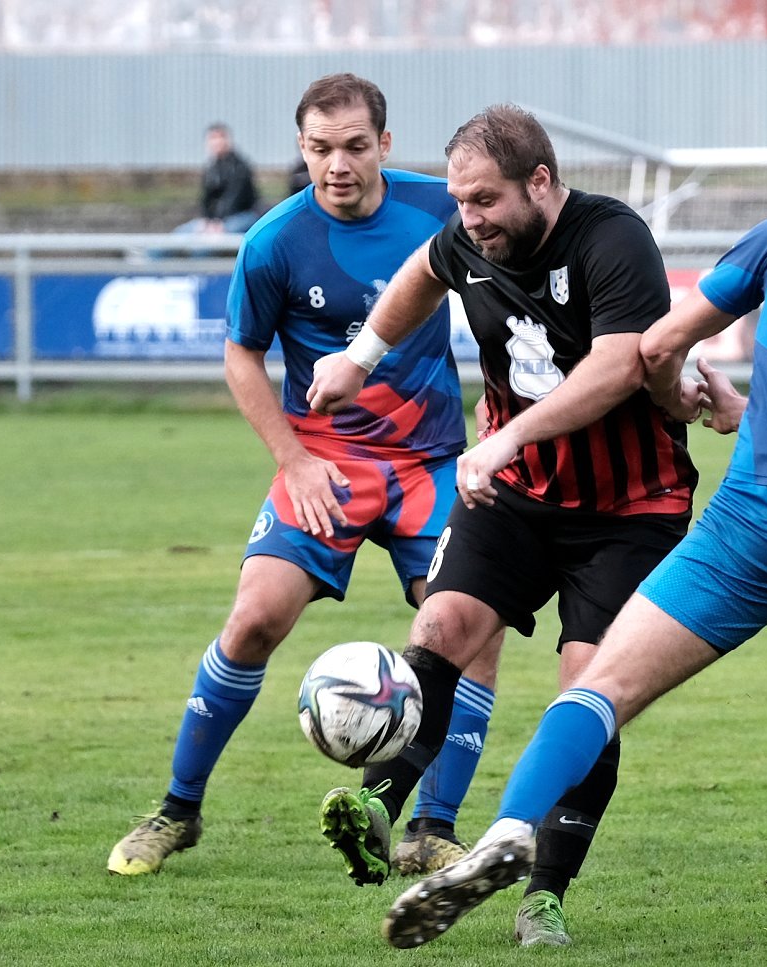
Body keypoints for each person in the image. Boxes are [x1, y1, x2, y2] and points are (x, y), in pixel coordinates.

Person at [376, 90, 767, 954]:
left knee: (602, 685)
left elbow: (657, 348)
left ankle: (511, 827)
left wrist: (690, 398)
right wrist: (750, 408)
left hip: (766, 508)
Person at [304, 103, 708, 947]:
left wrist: (507, 437)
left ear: (541, 182)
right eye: (460, 201)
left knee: (590, 687)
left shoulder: (612, 239)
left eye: (485, 199)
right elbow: (423, 271)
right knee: (441, 627)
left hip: (628, 508)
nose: (471, 218)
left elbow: (618, 366)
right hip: (515, 494)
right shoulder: (468, 240)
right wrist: (359, 358)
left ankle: (543, 895)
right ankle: (379, 807)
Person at [107, 73, 500, 878]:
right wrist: (293, 458)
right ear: (301, 147)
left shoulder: (441, 210)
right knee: (254, 618)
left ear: (385, 144)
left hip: (429, 463)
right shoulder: (275, 240)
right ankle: (177, 809)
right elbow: (240, 356)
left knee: (472, 629)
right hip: (323, 464)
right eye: (321, 148)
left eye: (355, 146)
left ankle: (430, 826)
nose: (337, 165)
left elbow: (506, 300)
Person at [172, 122, 263, 235]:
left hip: (242, 215)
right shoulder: (211, 168)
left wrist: (217, 223)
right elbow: (206, 200)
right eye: (213, 138)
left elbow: (234, 199)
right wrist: (207, 221)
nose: (217, 142)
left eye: (220, 137)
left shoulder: (239, 167)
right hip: (216, 220)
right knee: (180, 233)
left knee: (216, 237)